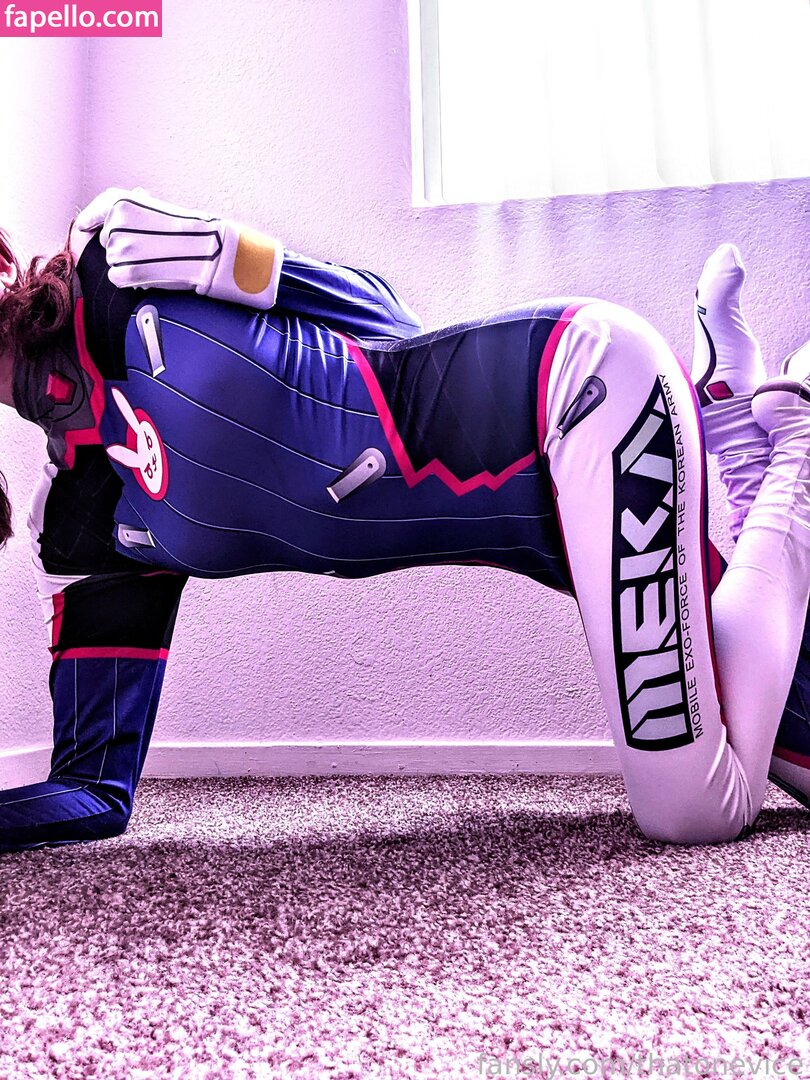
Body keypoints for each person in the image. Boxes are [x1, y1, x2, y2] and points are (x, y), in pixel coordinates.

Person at [0, 187, 807, 853]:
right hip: (559, 536)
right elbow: (91, 789)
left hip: (581, 390)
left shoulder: (119, 262)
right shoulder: (78, 521)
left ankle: (798, 444)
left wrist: (239, 254)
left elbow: (393, 326)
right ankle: (734, 424)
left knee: (692, 809)